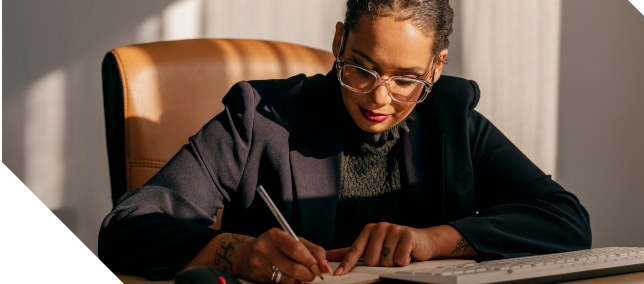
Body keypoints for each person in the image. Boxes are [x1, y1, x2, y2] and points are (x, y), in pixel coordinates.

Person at [98, 0, 592, 283]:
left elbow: (566, 220)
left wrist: (433, 239)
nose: (380, 97)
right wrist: (235, 250)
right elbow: (126, 227)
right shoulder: (260, 117)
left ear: (436, 69)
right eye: (362, 67)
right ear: (338, 42)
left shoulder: (451, 116)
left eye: (406, 80)